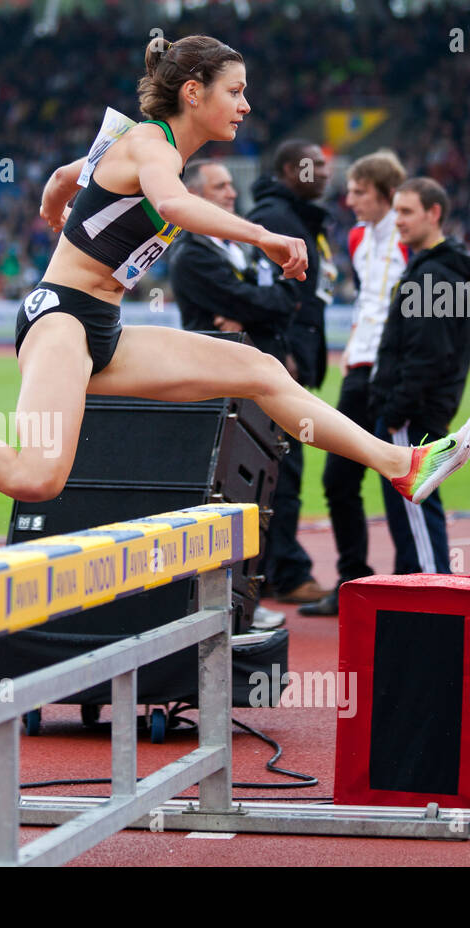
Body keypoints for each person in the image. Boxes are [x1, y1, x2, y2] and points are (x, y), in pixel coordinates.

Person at [0, 37, 470, 556]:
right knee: (37, 478)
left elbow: (67, 176)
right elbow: (173, 203)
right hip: (59, 320)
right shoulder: (151, 146)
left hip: (105, 329)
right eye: (235, 92)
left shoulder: (133, 143)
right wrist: (263, 234)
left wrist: (56, 200)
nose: (246, 105)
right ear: (193, 92)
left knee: (259, 369)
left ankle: (401, 464)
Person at [167, 157, 299, 630]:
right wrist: (263, 310)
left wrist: (258, 313)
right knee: (224, 497)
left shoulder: (235, 251)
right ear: (197, 196)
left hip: (248, 387)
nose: (231, 194)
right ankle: (224, 603)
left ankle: (245, 596)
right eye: (220, 187)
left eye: (230, 186)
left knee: (259, 493)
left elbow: (266, 303)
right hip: (218, 396)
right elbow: (263, 302)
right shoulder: (194, 254)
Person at [301, 150, 409, 617]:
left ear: (386, 195)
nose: (350, 199)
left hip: (394, 374)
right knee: (338, 478)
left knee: (400, 478)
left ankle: (413, 584)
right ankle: (353, 581)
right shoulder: (358, 237)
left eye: (360, 192)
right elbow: (367, 300)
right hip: (358, 372)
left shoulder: (410, 240)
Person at [242, 139, 337, 605]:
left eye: (324, 164)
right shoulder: (278, 221)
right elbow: (278, 296)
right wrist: (288, 351)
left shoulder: (297, 219)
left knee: (282, 469)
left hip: (288, 361)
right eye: (313, 165)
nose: (324, 172)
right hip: (280, 365)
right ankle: (284, 572)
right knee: (285, 472)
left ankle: (273, 570)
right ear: (286, 169)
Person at [369, 176, 470, 576]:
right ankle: (412, 596)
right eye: (395, 210)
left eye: (406, 211)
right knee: (411, 512)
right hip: (423, 410)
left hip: (411, 416)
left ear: (434, 213)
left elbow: (429, 354)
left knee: (414, 509)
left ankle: (434, 598)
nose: (397, 220)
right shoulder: (446, 270)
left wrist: (396, 411)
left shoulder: (433, 274)